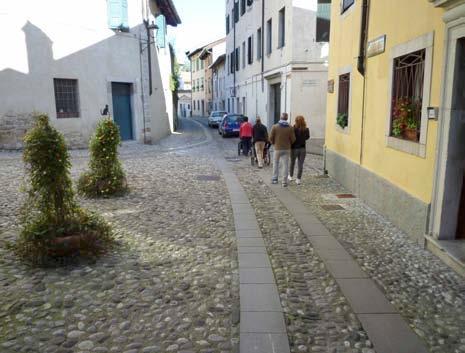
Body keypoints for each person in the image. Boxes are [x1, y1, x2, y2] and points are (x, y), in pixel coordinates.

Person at [269, 113, 296, 187]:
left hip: (277, 148)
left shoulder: (275, 126)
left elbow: (270, 137)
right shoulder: (290, 127)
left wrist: (274, 143)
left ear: (280, 118)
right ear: (287, 118)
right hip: (287, 149)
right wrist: (289, 143)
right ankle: (284, 181)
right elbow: (293, 139)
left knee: (276, 163)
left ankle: (275, 179)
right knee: (285, 165)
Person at [289, 115, 310, 185]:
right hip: (302, 148)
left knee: (292, 163)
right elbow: (307, 137)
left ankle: (291, 176)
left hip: (294, 148)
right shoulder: (306, 129)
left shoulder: (292, 128)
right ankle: (298, 179)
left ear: (296, 121)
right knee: (300, 164)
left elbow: (290, 138)